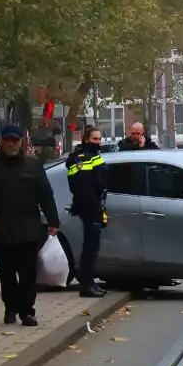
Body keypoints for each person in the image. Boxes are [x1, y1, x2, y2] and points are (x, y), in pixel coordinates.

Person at [0, 125, 61, 326]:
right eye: (7, 140)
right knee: (6, 274)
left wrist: (53, 221)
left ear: (20, 142)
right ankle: (10, 307)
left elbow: (45, 194)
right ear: (1, 141)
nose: (10, 144)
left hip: (28, 227)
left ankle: (27, 311)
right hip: (2, 228)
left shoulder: (33, 165)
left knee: (27, 274)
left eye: (14, 140)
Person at [65, 126, 109, 299]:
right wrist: (94, 206)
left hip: (93, 205)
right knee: (90, 248)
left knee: (93, 248)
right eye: (94, 139)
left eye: (99, 139)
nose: (98, 142)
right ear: (85, 139)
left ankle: (90, 283)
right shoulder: (81, 157)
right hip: (89, 206)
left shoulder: (93, 155)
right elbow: (83, 185)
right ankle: (86, 286)